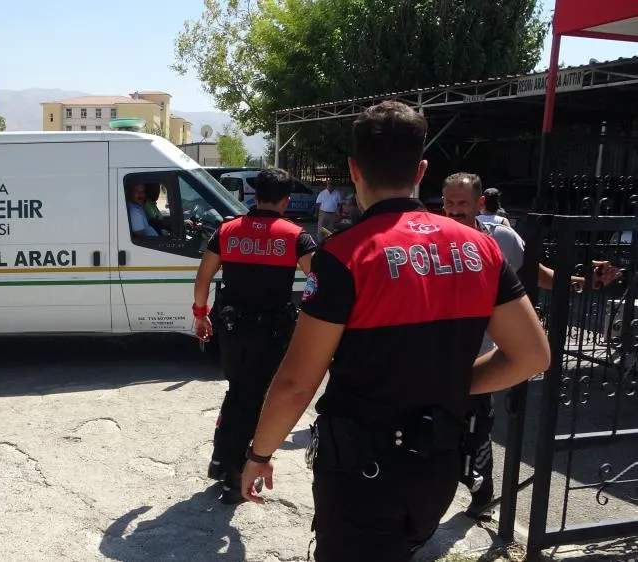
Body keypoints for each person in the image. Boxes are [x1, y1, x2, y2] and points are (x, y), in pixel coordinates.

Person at [238, 100, 551, 561]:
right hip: (437, 466)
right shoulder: (481, 249)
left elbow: (296, 382)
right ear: (421, 170)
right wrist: (450, 383)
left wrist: (259, 454)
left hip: (361, 473)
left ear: (353, 169)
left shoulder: (345, 255)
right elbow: (532, 356)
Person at [441, 172, 622, 520]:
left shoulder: (502, 239)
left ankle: (481, 496)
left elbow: (537, 275)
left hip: (480, 359)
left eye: (462, 203)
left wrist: (585, 282)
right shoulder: (430, 239)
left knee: (478, 433)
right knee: (435, 432)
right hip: (435, 357)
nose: (454, 210)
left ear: (480, 203)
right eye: (449, 203)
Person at [192, 167, 317, 505]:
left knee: (237, 391)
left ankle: (221, 461)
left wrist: (201, 315)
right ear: (286, 200)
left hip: (231, 330)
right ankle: (236, 478)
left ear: (254, 196)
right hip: (270, 333)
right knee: (256, 399)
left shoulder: (227, 231)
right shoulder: (295, 236)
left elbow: (203, 277)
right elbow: (320, 281)